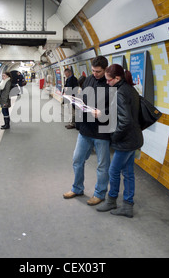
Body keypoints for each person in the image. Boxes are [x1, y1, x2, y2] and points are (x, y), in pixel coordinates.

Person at [96, 64, 143, 218]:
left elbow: (125, 121)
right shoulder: (130, 89)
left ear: (117, 78)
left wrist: (114, 137)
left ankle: (112, 201)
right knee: (128, 173)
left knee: (113, 171)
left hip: (125, 141)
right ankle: (128, 206)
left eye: (109, 80)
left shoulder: (120, 92)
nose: (107, 82)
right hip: (134, 138)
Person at [63, 56, 111, 206]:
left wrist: (102, 112)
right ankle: (77, 188)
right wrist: (77, 102)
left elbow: (116, 108)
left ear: (105, 70)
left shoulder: (111, 84)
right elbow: (83, 97)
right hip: (85, 129)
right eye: (93, 70)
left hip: (102, 132)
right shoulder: (89, 79)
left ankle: (100, 193)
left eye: (98, 71)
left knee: (102, 165)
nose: (95, 74)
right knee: (77, 160)